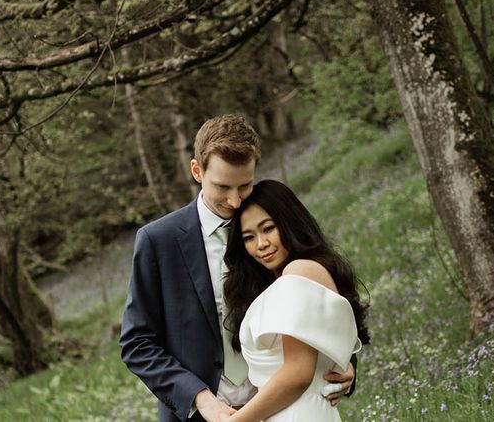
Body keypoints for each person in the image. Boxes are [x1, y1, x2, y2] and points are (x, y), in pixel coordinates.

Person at [120, 115, 356, 422]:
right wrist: (199, 397)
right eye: (222, 186)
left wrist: (342, 361)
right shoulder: (157, 241)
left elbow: (318, 299)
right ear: (197, 170)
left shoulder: (271, 231)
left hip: (282, 408)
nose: (234, 200)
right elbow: (136, 343)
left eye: (244, 185)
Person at [217, 179, 370, 422]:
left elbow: (298, 373)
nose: (261, 244)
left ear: (289, 222)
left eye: (268, 228)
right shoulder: (289, 278)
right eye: (248, 237)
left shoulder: (299, 272)